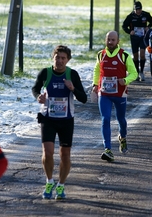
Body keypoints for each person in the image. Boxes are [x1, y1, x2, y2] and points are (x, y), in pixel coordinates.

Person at [32, 45, 87, 200]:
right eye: (58, 58)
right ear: (53, 58)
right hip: (48, 118)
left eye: (63, 58)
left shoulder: (72, 74)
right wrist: (38, 97)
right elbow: (35, 89)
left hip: (66, 120)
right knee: (47, 152)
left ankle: (61, 185)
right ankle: (49, 181)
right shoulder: (45, 73)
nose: (60, 61)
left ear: (68, 60)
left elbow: (83, 98)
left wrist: (73, 89)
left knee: (65, 155)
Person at [92, 31, 138, 162]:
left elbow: (134, 73)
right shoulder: (101, 55)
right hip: (104, 93)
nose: (110, 42)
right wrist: (95, 84)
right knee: (105, 119)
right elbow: (97, 70)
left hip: (120, 94)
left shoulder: (124, 55)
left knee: (121, 119)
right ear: (105, 41)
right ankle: (108, 149)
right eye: (108, 40)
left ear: (118, 41)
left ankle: (122, 137)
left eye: (113, 40)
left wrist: (126, 80)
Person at [122, 1, 152, 81]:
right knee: (135, 56)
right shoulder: (130, 16)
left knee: (142, 54)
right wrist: (130, 31)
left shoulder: (145, 15)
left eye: (139, 9)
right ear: (134, 9)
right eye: (136, 9)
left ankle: (141, 72)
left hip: (143, 37)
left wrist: (148, 27)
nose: (138, 11)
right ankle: (136, 72)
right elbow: (124, 26)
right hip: (134, 38)